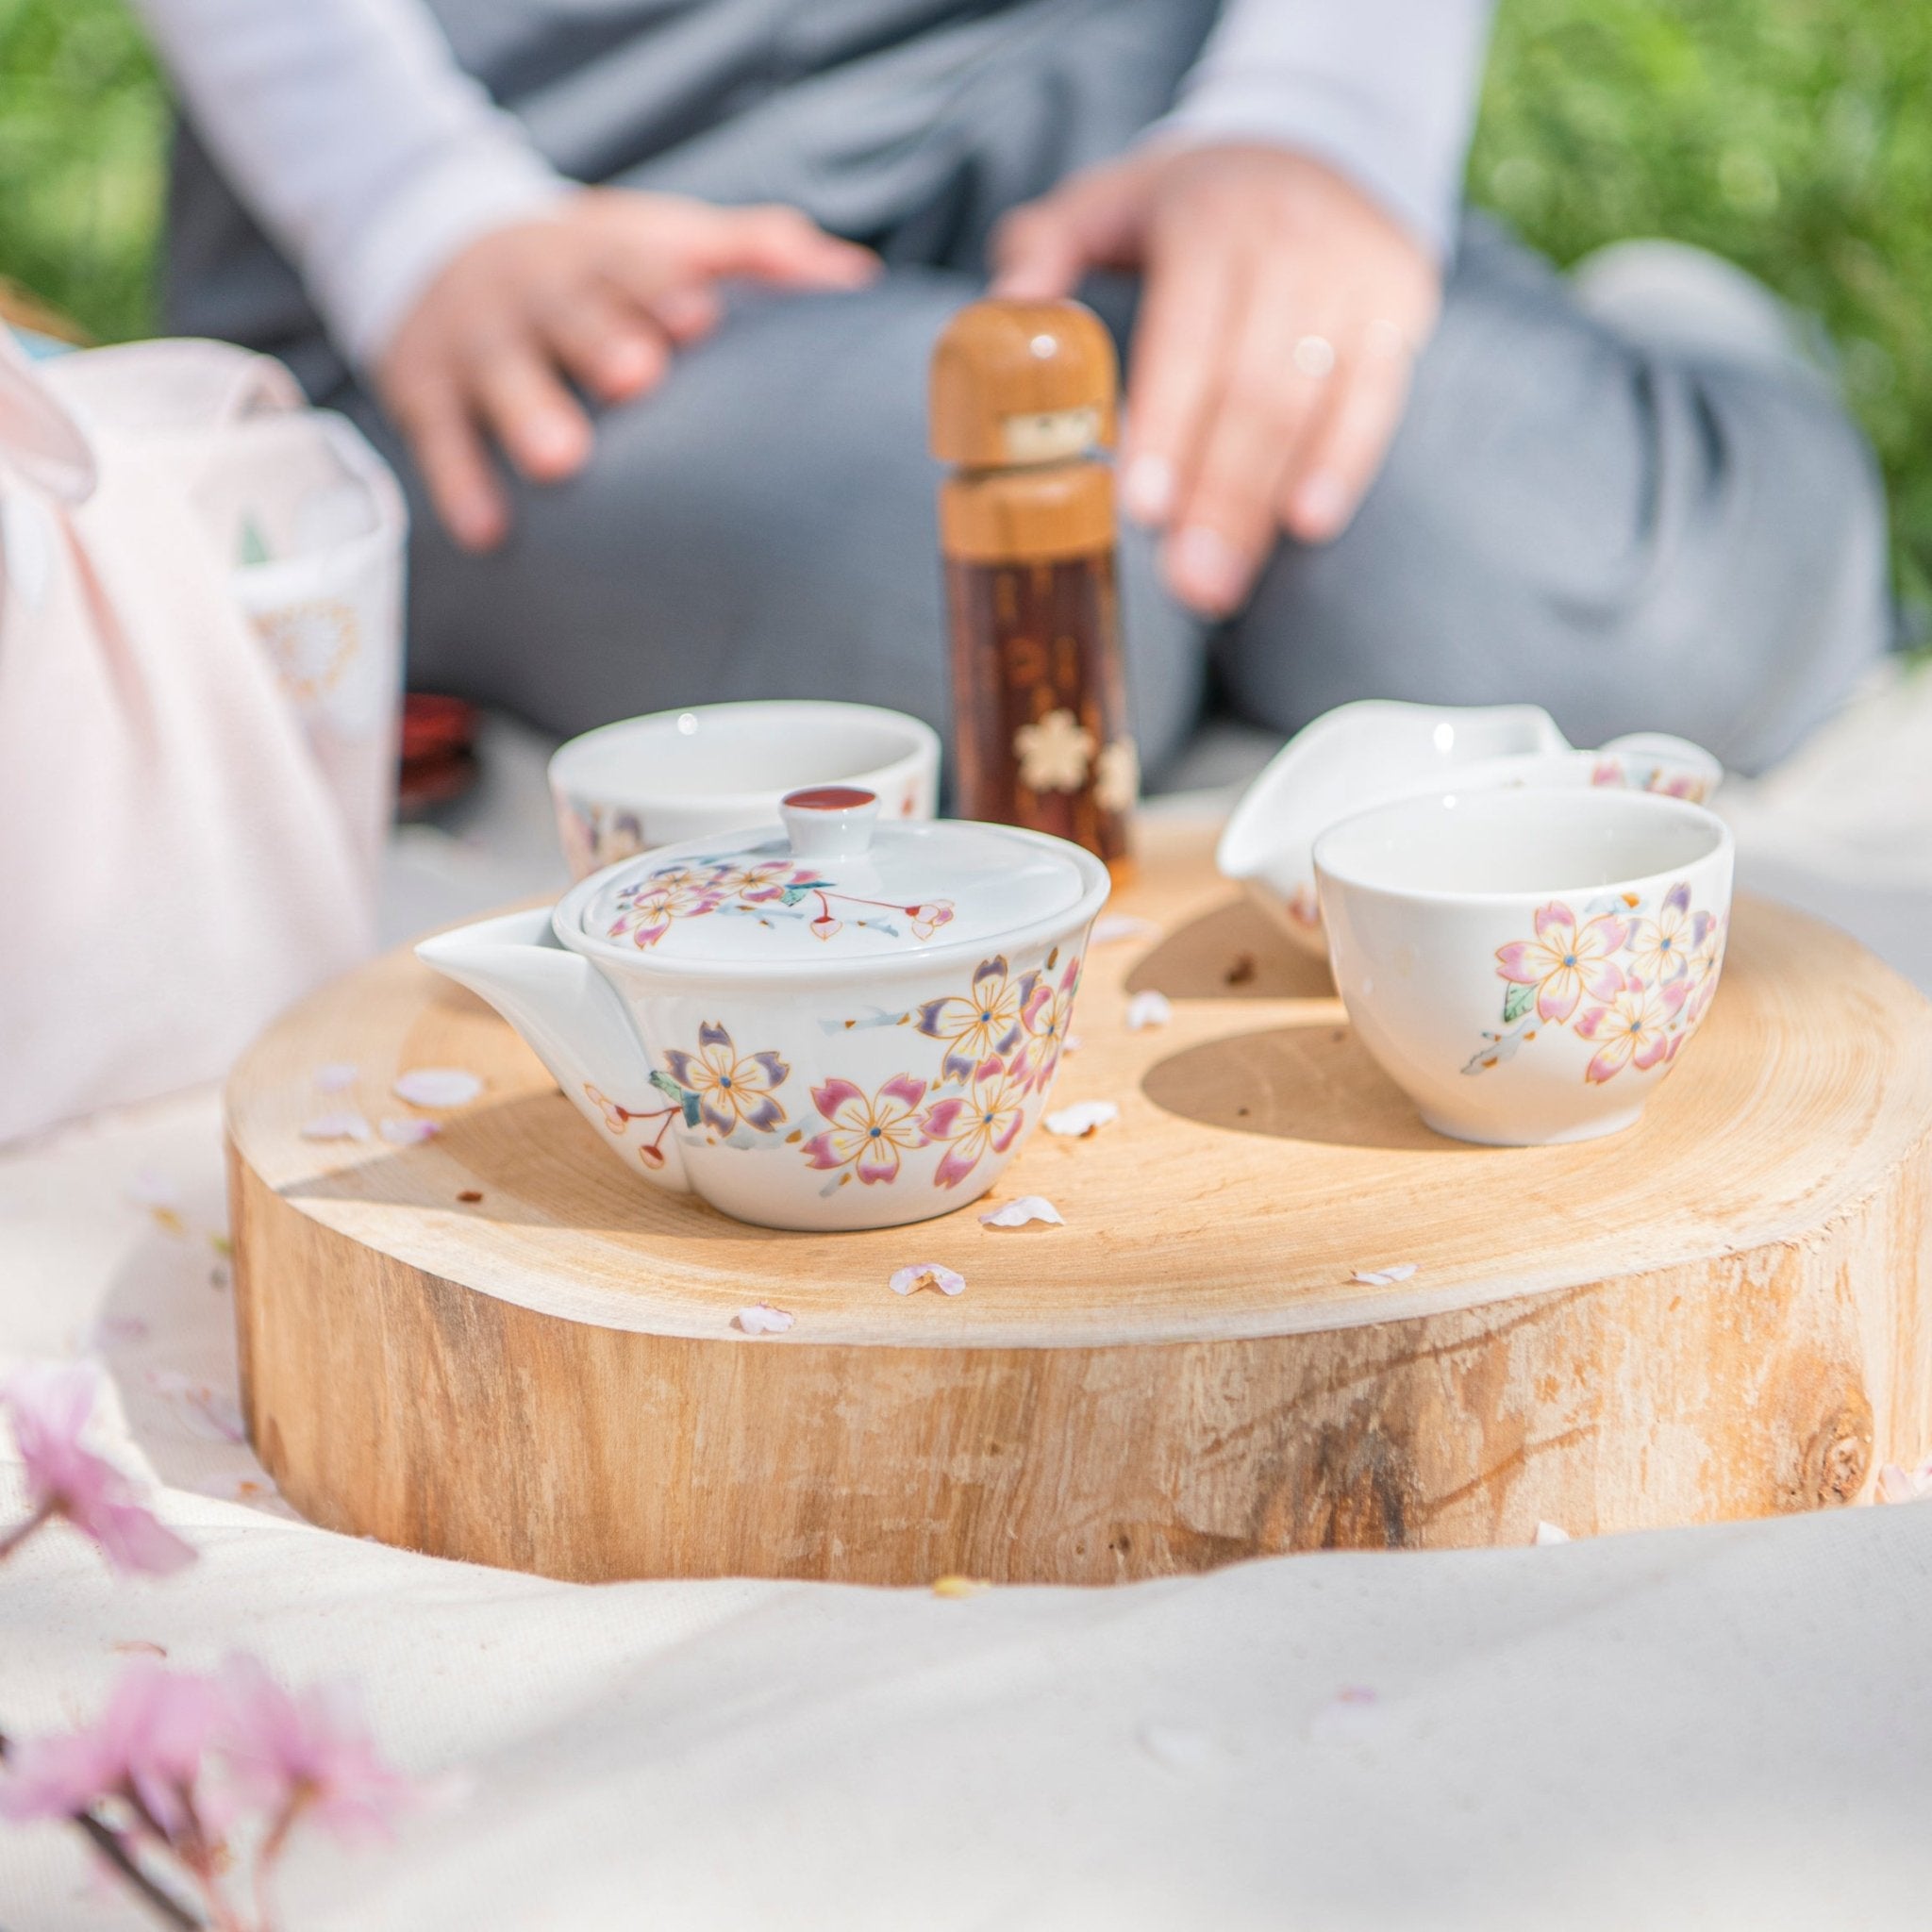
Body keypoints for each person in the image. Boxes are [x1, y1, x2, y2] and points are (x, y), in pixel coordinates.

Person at [140, 0, 1890, 780]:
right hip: (531, 189)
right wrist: (412, 217)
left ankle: (1673, 361)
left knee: (1623, 607)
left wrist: (1323, 123)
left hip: (1095, 76)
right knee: (980, 613)